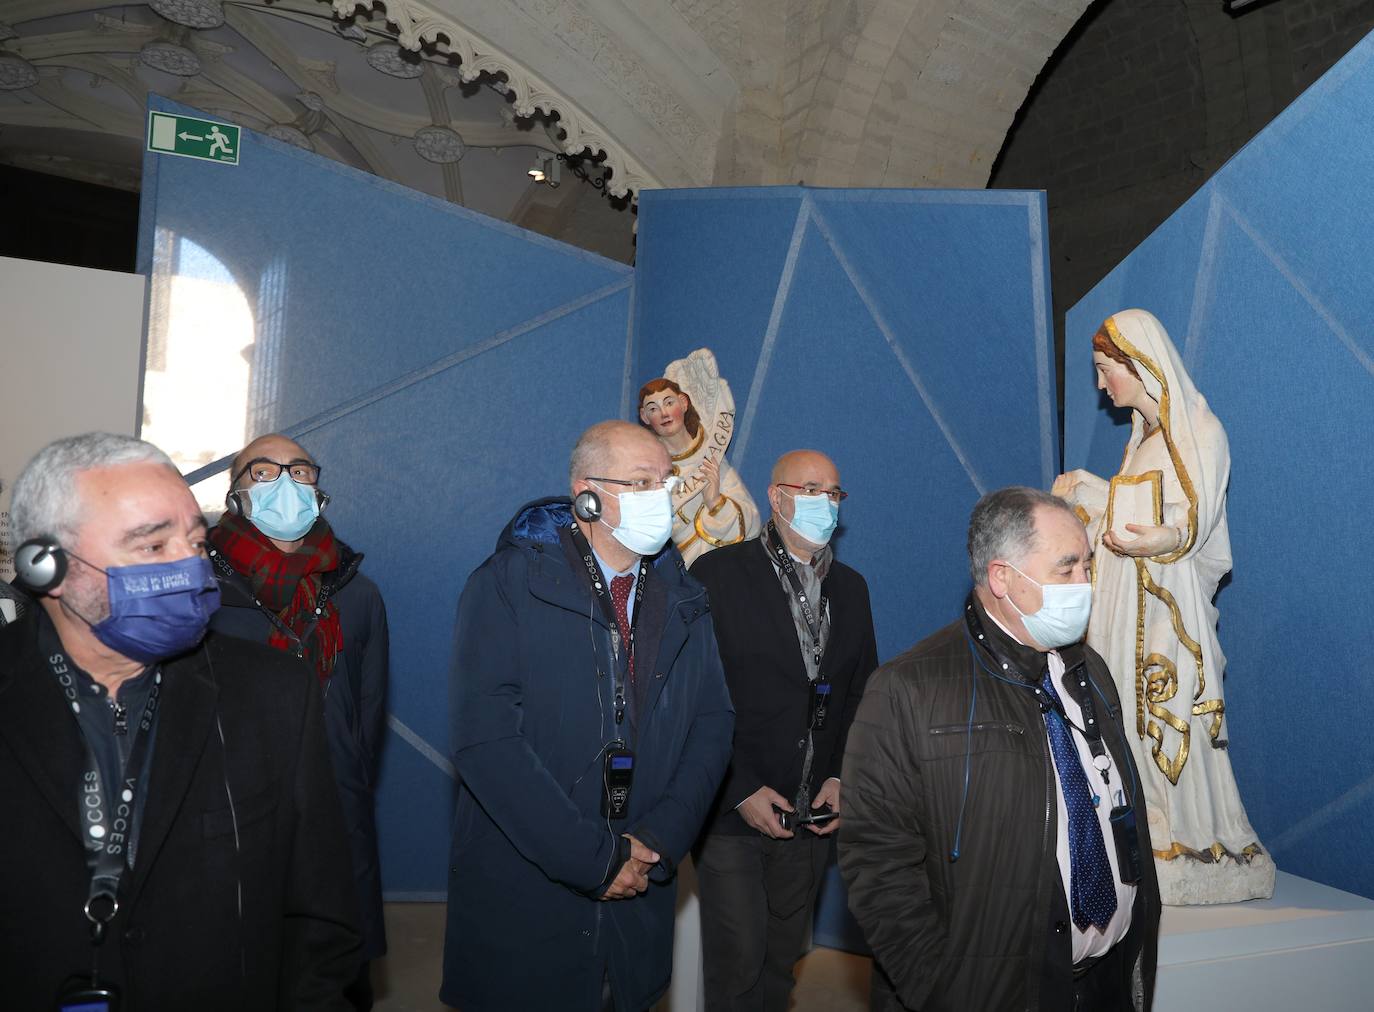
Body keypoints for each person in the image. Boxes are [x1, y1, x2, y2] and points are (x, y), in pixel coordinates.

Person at [0, 432, 360, 1010]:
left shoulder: (272, 695)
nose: (190, 568)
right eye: (152, 546)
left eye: (195, 542)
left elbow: (320, 924)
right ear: (47, 567)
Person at [441, 419, 735, 1012]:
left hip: (642, 893)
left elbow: (713, 722)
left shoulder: (686, 599)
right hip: (530, 900)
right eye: (642, 482)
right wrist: (596, 860)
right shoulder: (507, 585)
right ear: (587, 495)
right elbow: (486, 740)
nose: (663, 496)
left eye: (665, 480)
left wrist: (659, 840)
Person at [840, 486, 1160, 1011]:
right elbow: (876, 863)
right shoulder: (908, 689)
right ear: (1002, 579)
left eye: (1087, 566)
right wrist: (943, 991)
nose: (1085, 584)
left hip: (1108, 981)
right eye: (1066, 569)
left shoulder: (1090, 672)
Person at [1053, 309, 1273, 904]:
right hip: (1124, 601)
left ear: (1141, 364)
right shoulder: (1142, 441)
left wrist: (1159, 539)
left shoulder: (1199, 431)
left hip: (1168, 607)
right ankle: (1147, 816)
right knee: (1120, 704)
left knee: (1166, 703)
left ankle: (1190, 830)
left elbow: (1191, 518)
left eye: (1106, 371)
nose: (1101, 386)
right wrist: (1087, 492)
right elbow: (1135, 506)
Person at [205, 432, 389, 1007]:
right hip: (223, 838)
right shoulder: (196, 592)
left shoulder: (356, 595)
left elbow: (369, 720)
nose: (286, 484)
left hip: (334, 835)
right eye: (263, 472)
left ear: (320, 490)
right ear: (235, 495)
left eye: (301, 472)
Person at [689, 449, 877, 1011]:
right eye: (812, 489)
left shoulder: (851, 588)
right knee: (738, 963)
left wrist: (843, 777)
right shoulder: (717, 575)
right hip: (733, 809)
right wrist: (739, 785)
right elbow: (696, 696)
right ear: (777, 497)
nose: (826, 504)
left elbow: (861, 693)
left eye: (834, 493)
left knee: (779, 960)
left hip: (810, 812)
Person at [639, 348, 760, 565]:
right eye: (653, 408)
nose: (664, 413)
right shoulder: (647, 472)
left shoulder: (711, 455)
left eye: (669, 402)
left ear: (684, 403)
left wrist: (716, 502)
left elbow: (751, 523)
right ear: (644, 417)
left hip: (725, 567)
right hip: (682, 574)